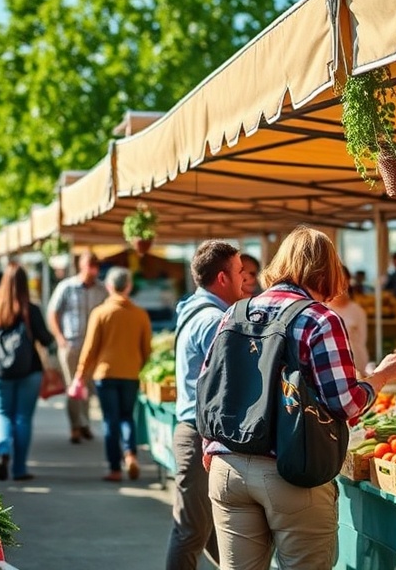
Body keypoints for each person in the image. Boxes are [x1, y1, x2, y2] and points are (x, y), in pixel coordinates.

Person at [203, 226, 396, 569]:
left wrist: (210, 444)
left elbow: (209, 384)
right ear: (327, 270)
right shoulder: (320, 319)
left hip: (227, 467)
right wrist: (381, 375)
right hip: (290, 470)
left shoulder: (236, 312)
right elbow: (346, 403)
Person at [166, 240, 245, 570]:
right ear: (223, 278)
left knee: (209, 529)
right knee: (191, 531)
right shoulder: (215, 319)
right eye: (240, 271)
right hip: (200, 433)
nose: (245, 279)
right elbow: (231, 381)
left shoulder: (193, 309)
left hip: (194, 429)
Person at [74, 267, 153, 482]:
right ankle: (130, 454)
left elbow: (90, 348)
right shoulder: (140, 314)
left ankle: (115, 469)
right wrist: (144, 372)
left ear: (109, 286)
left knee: (110, 420)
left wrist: (80, 375)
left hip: (105, 374)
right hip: (131, 373)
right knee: (127, 417)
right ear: (128, 286)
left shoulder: (100, 313)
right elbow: (147, 349)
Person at [0, 263, 54, 481]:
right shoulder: (31, 308)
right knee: (23, 418)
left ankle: (2, 452)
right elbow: (45, 339)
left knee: (2, 414)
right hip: (29, 371)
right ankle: (19, 469)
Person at [47, 251, 108, 444]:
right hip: (71, 344)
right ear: (81, 266)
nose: (92, 270)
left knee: (87, 387)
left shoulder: (102, 289)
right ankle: (75, 426)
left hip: (93, 346)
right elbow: (53, 313)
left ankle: (85, 424)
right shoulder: (67, 287)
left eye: (95, 266)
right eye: (89, 265)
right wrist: (60, 338)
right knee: (73, 387)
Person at [328, 264, 370, 375]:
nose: (338, 284)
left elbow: (361, 343)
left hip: (355, 371)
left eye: (342, 280)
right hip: (329, 372)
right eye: (333, 280)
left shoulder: (357, 311)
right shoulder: (321, 309)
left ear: (348, 281)